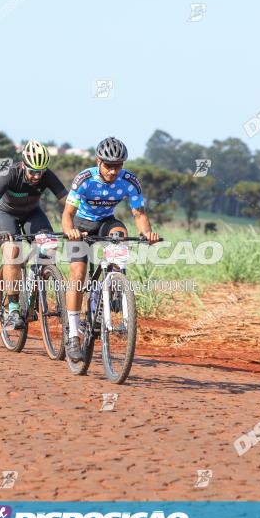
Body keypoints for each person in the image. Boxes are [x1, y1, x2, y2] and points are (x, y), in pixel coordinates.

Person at [61, 136, 160, 361]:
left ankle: (114, 283)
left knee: (120, 235)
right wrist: (70, 231)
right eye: (108, 166)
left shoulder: (130, 181)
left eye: (117, 166)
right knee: (78, 274)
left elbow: (139, 214)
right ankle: (74, 334)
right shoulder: (84, 179)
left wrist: (147, 233)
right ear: (98, 161)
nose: (113, 171)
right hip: (81, 225)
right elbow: (67, 215)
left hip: (106, 222)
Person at [0, 140, 68, 329]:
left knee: (50, 246)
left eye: (41, 172)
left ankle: (34, 279)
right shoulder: (9, 173)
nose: (37, 176)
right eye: (33, 171)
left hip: (32, 213)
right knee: (12, 251)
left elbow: (68, 203)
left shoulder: (46, 175)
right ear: (23, 165)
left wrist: (75, 224)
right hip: (7, 215)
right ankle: (13, 308)